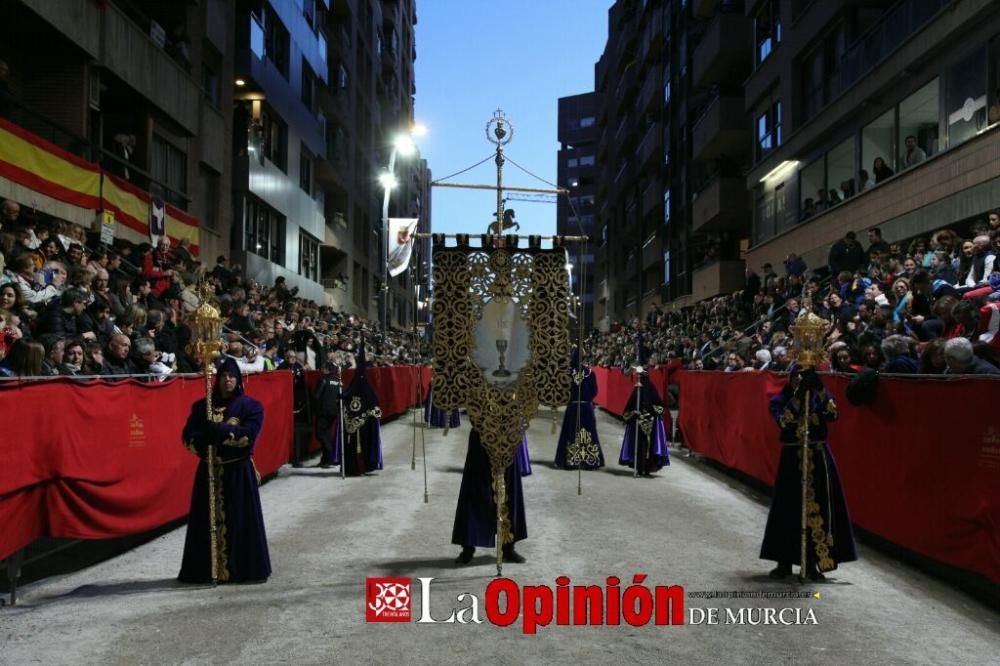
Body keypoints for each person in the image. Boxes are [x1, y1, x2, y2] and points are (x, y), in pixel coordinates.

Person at [178, 358, 271, 584]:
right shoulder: (202, 406)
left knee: (240, 521)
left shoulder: (251, 406)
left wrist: (218, 431)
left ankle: (244, 570)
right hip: (209, 471)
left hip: (238, 472)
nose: (227, 380)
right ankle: (203, 570)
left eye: (231, 376)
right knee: (204, 522)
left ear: (238, 380)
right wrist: (202, 441)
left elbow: (248, 436)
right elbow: (187, 436)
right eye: (223, 376)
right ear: (217, 379)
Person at [761, 365, 857, 581]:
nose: (800, 380)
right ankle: (784, 561)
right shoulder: (780, 399)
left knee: (820, 506)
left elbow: (833, 414)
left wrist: (820, 389)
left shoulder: (819, 396)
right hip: (792, 459)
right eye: (797, 377)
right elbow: (784, 421)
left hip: (818, 456)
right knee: (787, 508)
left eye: (804, 378)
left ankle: (814, 562)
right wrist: (797, 397)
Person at [452, 428, 528, 565]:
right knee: (474, 491)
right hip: (482, 433)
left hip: (508, 436)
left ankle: (508, 547)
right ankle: (468, 547)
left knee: (509, 490)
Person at [554, 348, 604, 469]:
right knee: (588, 433)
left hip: (573, 406)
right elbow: (594, 391)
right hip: (586, 407)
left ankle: (570, 460)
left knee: (570, 432)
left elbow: (562, 391)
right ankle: (589, 461)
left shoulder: (567, 373)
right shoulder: (590, 373)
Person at [340, 337, 382, 476]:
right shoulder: (352, 387)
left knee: (363, 445)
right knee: (352, 446)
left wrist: (372, 413)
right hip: (352, 423)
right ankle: (352, 468)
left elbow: (375, 408)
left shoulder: (367, 389)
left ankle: (362, 467)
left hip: (364, 424)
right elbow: (346, 398)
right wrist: (342, 398)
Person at [313, 361, 343, 468]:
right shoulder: (337, 380)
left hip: (323, 412)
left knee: (320, 434)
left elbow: (316, 396)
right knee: (326, 434)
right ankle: (325, 460)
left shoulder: (323, 380)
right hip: (334, 412)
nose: (322, 369)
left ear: (327, 369)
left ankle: (331, 454)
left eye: (323, 368)